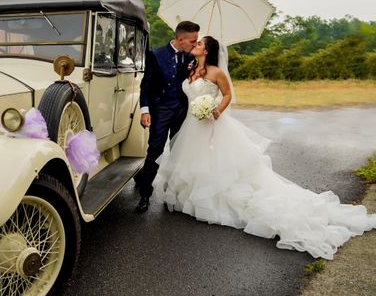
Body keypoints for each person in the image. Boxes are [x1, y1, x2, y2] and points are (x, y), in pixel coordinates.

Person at [159, 35, 376, 259]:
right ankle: (194, 198)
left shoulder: (216, 72)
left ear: (207, 50)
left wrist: (215, 111)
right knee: (195, 160)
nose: (195, 45)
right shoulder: (191, 67)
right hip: (192, 124)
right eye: (196, 43)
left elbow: (227, 95)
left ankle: (216, 201)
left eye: (200, 44)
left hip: (212, 123)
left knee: (217, 163)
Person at [133, 20, 200, 212]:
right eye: (193, 41)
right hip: (160, 110)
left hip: (183, 111)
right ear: (180, 39)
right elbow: (146, 85)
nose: (195, 44)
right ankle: (145, 194)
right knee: (154, 151)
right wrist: (144, 110)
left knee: (179, 152)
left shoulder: (192, 57)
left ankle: (173, 193)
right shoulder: (156, 54)